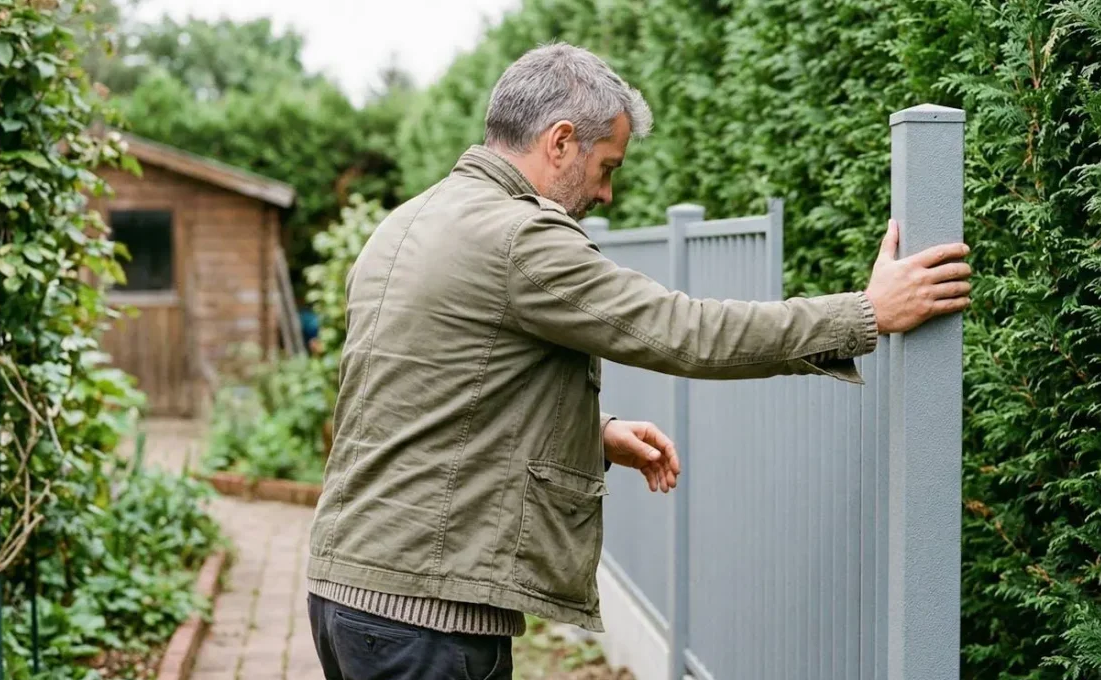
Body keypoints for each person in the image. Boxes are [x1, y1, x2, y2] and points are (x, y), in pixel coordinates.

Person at [305, 42, 971, 679]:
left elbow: (427, 390)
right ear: (560, 141)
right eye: (608, 168)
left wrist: (592, 433)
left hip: (345, 591)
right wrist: (864, 313)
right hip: (427, 617)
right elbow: (681, 330)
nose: (607, 195)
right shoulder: (520, 237)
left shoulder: (407, 223)